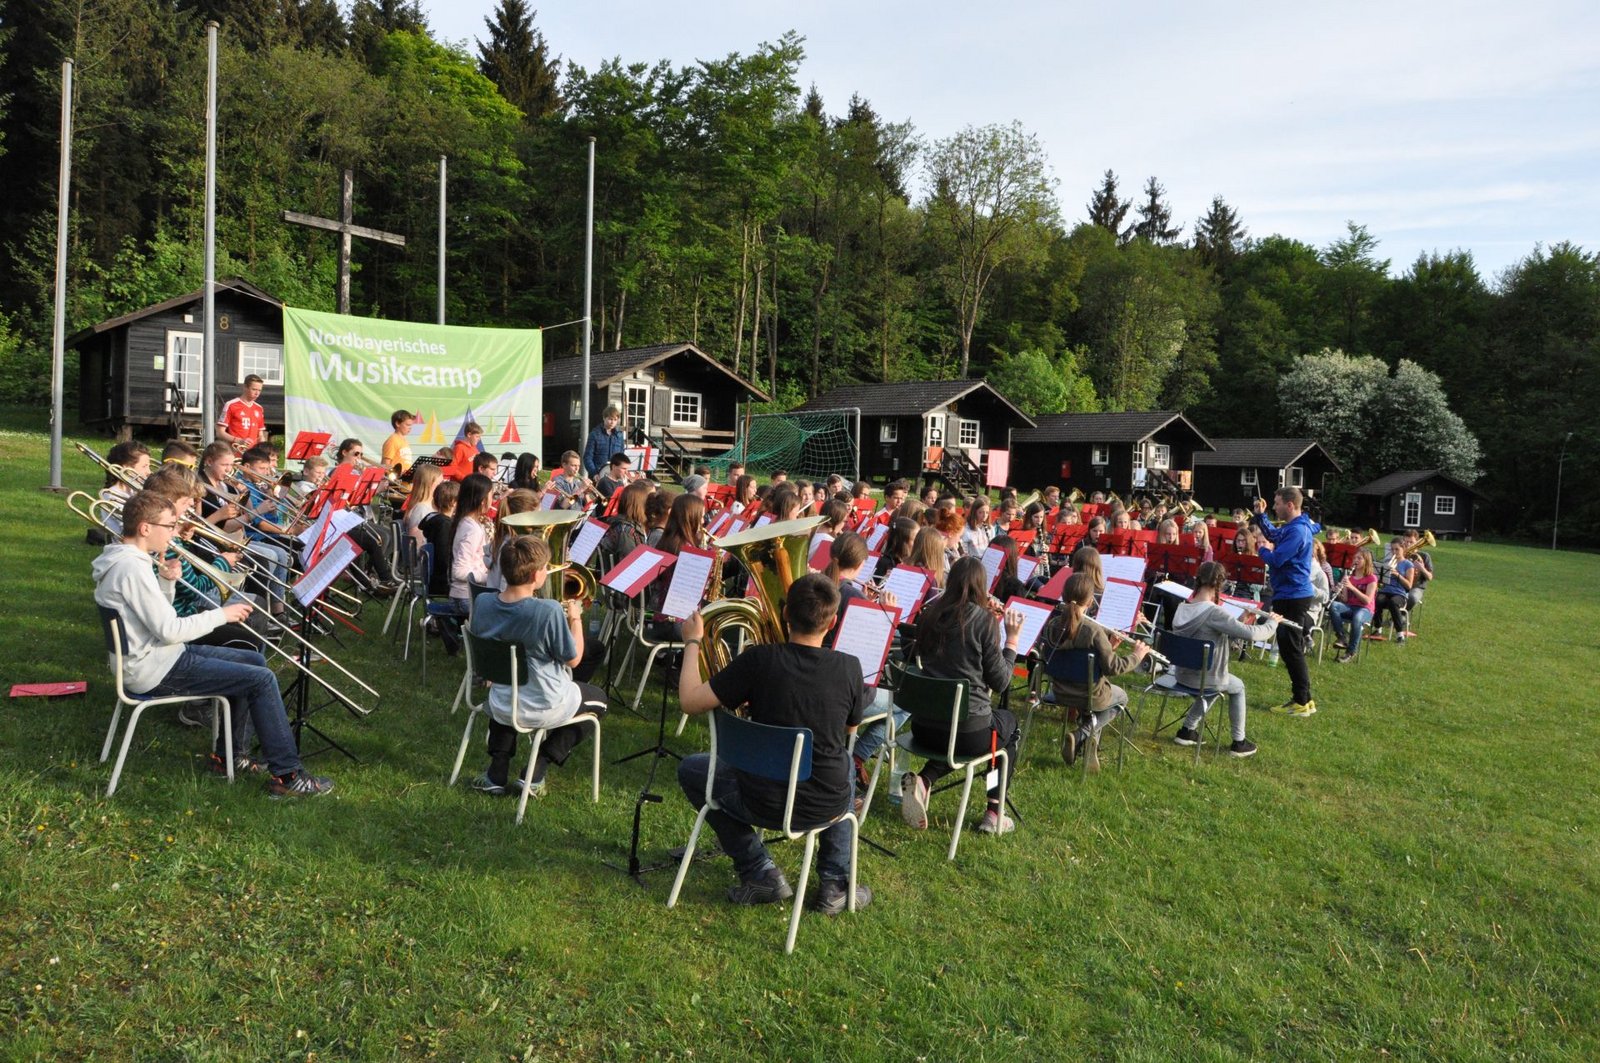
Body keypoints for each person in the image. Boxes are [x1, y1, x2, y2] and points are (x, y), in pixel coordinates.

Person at [91, 490, 333, 796]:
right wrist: (222, 615)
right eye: (169, 525)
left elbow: (157, 619)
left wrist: (166, 583)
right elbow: (169, 629)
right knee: (261, 679)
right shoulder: (132, 569)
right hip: (153, 668)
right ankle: (287, 775)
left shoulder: (128, 561)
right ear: (145, 528)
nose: (174, 531)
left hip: (156, 657)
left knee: (254, 662)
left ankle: (229, 757)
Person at [676, 574, 872, 913]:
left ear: (784, 614)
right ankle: (835, 883)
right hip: (825, 806)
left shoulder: (757, 660)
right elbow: (851, 726)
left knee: (691, 769)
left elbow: (690, 701)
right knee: (842, 764)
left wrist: (693, 642)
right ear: (834, 621)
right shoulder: (850, 667)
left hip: (758, 800)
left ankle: (759, 870)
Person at [470, 536, 609, 797]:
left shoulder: (484, 603)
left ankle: (496, 770)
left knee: (514, 685)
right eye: (546, 567)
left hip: (500, 701)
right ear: (535, 574)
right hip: (542, 704)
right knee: (599, 701)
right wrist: (576, 619)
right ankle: (537, 769)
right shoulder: (547, 612)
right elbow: (574, 659)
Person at [899, 556, 1024, 835]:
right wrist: (1011, 639)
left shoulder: (930, 614)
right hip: (967, 732)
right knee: (1006, 733)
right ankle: (994, 810)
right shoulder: (984, 622)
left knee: (965, 730)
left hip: (924, 727)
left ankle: (924, 780)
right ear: (982, 586)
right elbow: (1002, 681)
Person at [1168, 561, 1278, 757]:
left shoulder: (1182, 607)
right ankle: (1239, 742)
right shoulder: (1214, 612)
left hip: (1182, 675)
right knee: (1237, 686)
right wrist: (1272, 623)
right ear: (1219, 584)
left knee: (1214, 684)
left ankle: (1187, 731)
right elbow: (1252, 635)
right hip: (1205, 678)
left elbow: (1217, 632)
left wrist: (1243, 618)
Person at [1050, 572, 1150, 772]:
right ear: (1090, 601)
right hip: (1090, 694)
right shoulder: (1093, 631)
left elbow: (1087, 664)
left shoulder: (1051, 625)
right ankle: (1082, 734)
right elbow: (1113, 668)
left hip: (1059, 692)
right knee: (1121, 697)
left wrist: (1109, 646)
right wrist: (1137, 656)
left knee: (1093, 703)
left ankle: (1086, 743)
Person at [1250, 487, 1317, 716]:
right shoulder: (1294, 527)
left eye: (1277, 504)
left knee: (1291, 650)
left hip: (1293, 595)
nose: (1275, 507)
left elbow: (1277, 559)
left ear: (1290, 505)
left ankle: (1301, 701)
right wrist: (1260, 515)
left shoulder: (1298, 532)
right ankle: (1305, 699)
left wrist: (1261, 551)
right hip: (1290, 593)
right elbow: (1274, 535)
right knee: (1291, 648)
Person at [1329, 549, 1378, 663]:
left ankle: (1350, 652)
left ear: (1366, 561)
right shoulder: (1349, 576)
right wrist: (1339, 590)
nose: (1356, 560)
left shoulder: (1371, 578)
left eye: (1359, 558)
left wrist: (1352, 587)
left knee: (1357, 619)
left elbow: (1367, 600)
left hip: (1366, 610)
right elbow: (1345, 599)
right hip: (1351, 607)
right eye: (1355, 558)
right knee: (1334, 605)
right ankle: (1342, 637)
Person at [1375, 539, 1416, 641]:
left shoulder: (1408, 564)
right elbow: (1381, 581)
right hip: (1385, 590)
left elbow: (1409, 586)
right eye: (1392, 549)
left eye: (1397, 549)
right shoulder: (1387, 562)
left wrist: (1397, 575)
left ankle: (1400, 634)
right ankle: (1378, 629)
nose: (1394, 552)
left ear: (1403, 549)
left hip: (1400, 593)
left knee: (1393, 603)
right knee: (1377, 600)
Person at [217, 375, 266, 453]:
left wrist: (264, 448)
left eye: (259, 390)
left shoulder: (259, 408)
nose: (257, 393)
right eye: (254, 389)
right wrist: (239, 441)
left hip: (253, 456)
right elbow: (220, 432)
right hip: (236, 453)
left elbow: (260, 435)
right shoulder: (231, 405)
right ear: (245, 387)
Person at [583, 406, 628, 479]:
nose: (612, 422)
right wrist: (594, 473)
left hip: (615, 475)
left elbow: (621, 457)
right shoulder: (594, 434)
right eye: (610, 419)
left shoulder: (619, 436)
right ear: (604, 418)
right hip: (598, 474)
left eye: (615, 420)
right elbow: (587, 457)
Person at [381, 410, 417, 474]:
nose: (410, 428)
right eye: (408, 425)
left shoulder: (405, 441)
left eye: (411, 425)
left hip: (405, 481)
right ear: (397, 423)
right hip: (394, 482)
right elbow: (385, 465)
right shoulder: (392, 440)